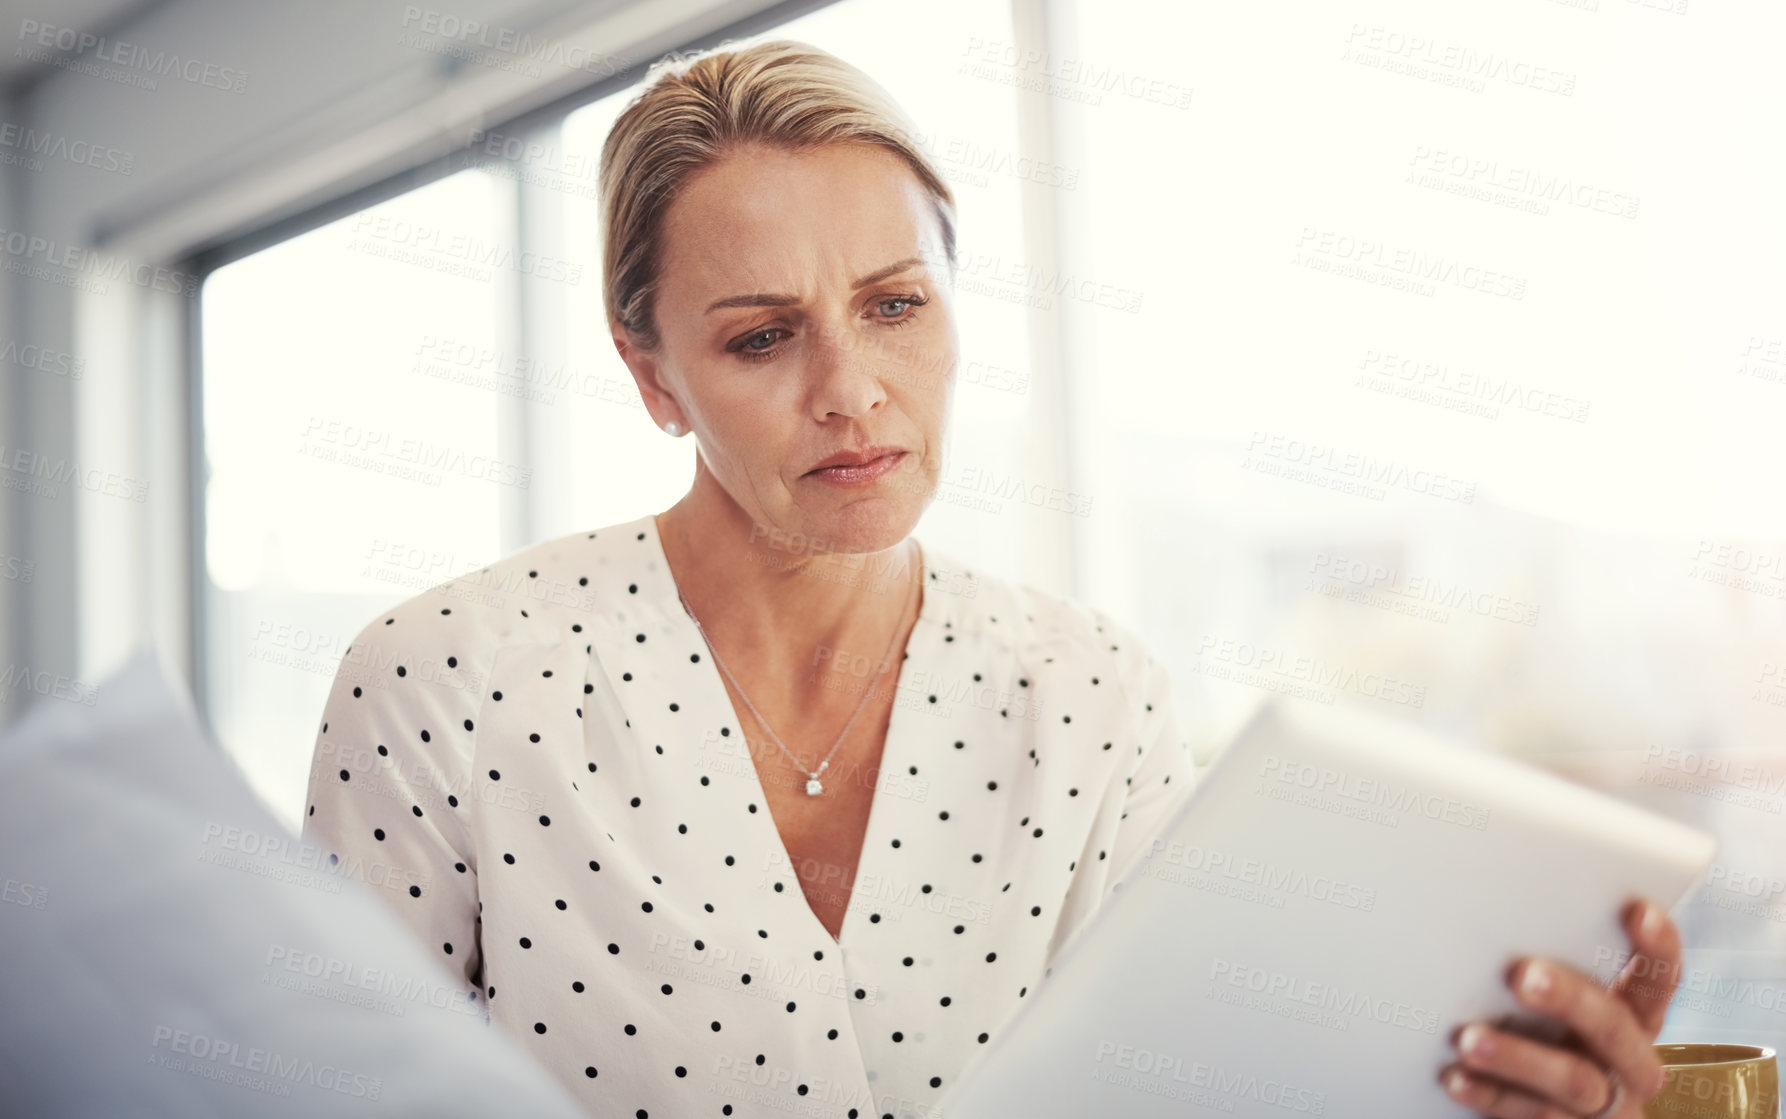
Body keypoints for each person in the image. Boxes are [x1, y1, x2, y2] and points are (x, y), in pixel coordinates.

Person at [303, 37, 1683, 1119]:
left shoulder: (1089, 696)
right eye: (762, 337)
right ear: (653, 375)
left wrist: (1473, 1093)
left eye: (894, 306)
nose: (852, 392)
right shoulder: (449, 684)